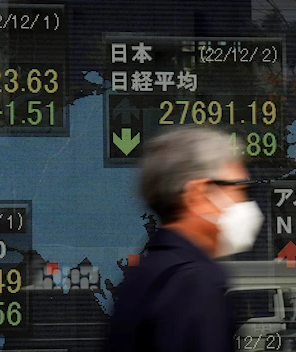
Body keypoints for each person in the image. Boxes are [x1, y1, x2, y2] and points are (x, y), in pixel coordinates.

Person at [104, 126, 264, 352]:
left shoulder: (144, 275)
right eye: (238, 187)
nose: (244, 201)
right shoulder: (195, 283)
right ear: (199, 194)